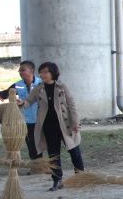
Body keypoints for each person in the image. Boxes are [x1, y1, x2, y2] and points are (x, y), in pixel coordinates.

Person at [21, 62, 84, 191]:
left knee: (74, 151)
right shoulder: (39, 88)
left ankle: (81, 177)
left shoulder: (62, 87)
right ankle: (57, 181)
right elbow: (28, 101)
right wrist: (21, 102)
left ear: (53, 73)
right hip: (48, 127)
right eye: (41, 72)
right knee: (53, 155)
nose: (43, 74)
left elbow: (72, 105)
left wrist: (75, 123)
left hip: (65, 125)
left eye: (46, 72)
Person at [0, 60, 42, 160]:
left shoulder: (41, 83)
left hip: (41, 119)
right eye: (19, 71)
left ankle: (46, 166)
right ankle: (36, 166)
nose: (20, 72)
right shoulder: (17, 85)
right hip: (26, 121)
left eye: (23, 70)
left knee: (42, 144)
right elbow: (3, 95)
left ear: (32, 70)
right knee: (31, 144)